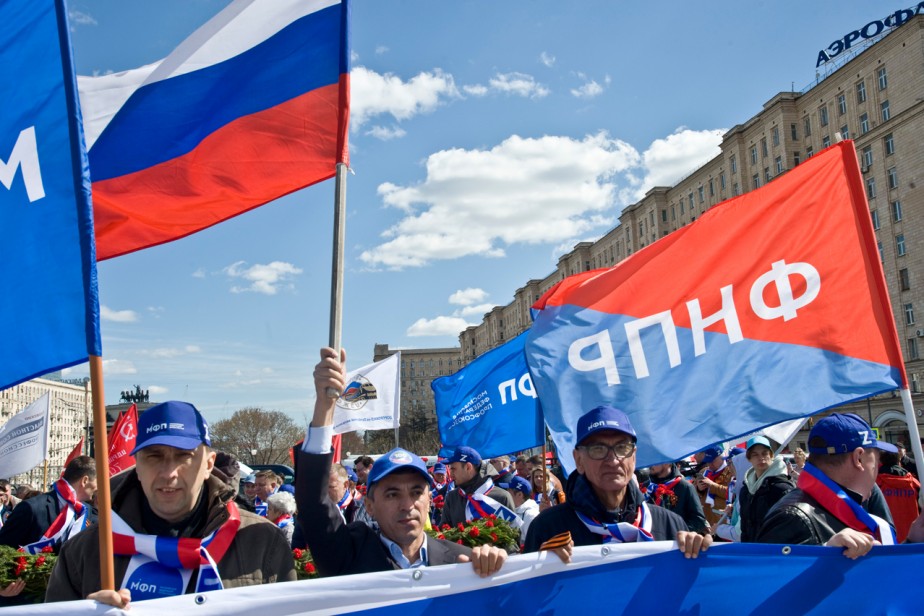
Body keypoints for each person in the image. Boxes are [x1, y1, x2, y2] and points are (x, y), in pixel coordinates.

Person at [46, 400, 295, 607]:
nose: (169, 473)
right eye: (154, 456)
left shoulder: (262, 540)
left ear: (208, 464)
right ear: (137, 466)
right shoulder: (85, 550)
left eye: (183, 456)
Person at [295, 347, 507, 577]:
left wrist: (495, 566)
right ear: (369, 506)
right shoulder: (348, 555)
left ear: (429, 500)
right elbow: (313, 501)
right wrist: (325, 407)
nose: (407, 505)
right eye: (392, 494)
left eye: (416, 492)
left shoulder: (462, 562)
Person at [524, 406, 710, 561]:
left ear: (634, 457)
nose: (613, 460)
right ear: (578, 460)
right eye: (598, 449)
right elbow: (527, 598)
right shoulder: (547, 529)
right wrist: (540, 564)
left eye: (622, 448)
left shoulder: (670, 524)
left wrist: (696, 550)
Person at [756, 413, 924, 557]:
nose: (877, 469)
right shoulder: (793, 517)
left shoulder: (823, 505)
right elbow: (766, 586)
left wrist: (912, 541)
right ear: (858, 458)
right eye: (876, 459)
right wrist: (824, 555)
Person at [0, 456, 97, 552]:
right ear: (84, 481)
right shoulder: (31, 508)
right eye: (98, 480)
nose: (98, 487)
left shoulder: (87, 511)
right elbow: (4, 549)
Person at [442, 446, 517, 528]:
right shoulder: (452, 497)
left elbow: (514, 534)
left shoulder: (502, 497)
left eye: (453, 469)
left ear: (468, 467)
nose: (451, 474)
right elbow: (443, 532)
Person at [737, 436, 795, 542]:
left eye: (765, 453)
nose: (761, 458)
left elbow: (790, 527)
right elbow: (744, 527)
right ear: (749, 458)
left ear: (771, 455)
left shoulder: (782, 488)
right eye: (755, 455)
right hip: (753, 551)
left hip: (774, 551)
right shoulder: (745, 490)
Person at [644, 462, 708, 534]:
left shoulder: (685, 487)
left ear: (667, 463)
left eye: (655, 461)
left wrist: (676, 533)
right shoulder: (646, 486)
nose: (650, 464)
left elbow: (698, 520)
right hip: (648, 540)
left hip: (674, 542)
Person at [876, 449, 921, 543]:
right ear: (899, 461)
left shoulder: (876, 483)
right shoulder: (914, 483)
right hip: (912, 537)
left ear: (881, 461)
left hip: (886, 536)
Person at [694, 445, 733, 530]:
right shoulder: (704, 471)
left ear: (721, 457)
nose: (710, 464)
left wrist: (712, 485)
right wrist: (699, 489)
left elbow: (732, 494)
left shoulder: (731, 471)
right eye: (708, 461)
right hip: (706, 523)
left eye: (712, 461)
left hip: (723, 522)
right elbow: (693, 495)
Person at [507, 476, 539, 546]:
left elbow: (533, 544)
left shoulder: (531, 515)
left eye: (508, 491)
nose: (505, 494)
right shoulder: (514, 509)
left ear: (519, 494)